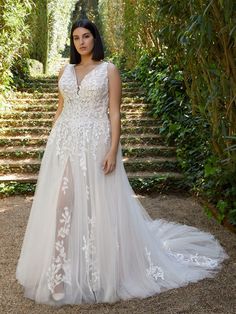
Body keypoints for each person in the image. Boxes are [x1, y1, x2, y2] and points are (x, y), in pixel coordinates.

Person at [16, 18, 228, 306]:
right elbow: (60, 109)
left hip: (96, 143)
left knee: (98, 208)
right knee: (62, 204)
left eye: (86, 36)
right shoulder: (64, 71)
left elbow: (115, 113)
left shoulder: (108, 70)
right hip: (65, 144)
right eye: (76, 37)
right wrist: (51, 144)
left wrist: (113, 150)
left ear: (95, 39)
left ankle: (99, 272)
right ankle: (57, 274)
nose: (81, 42)